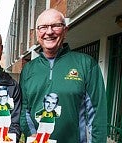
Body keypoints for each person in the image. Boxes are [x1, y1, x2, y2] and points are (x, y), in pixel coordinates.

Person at [19, 8, 107, 143]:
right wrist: (32, 135)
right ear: (37, 34)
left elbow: (97, 114)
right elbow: (24, 110)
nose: (49, 32)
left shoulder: (86, 64)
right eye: (43, 27)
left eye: (56, 26)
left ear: (65, 30)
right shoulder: (28, 69)